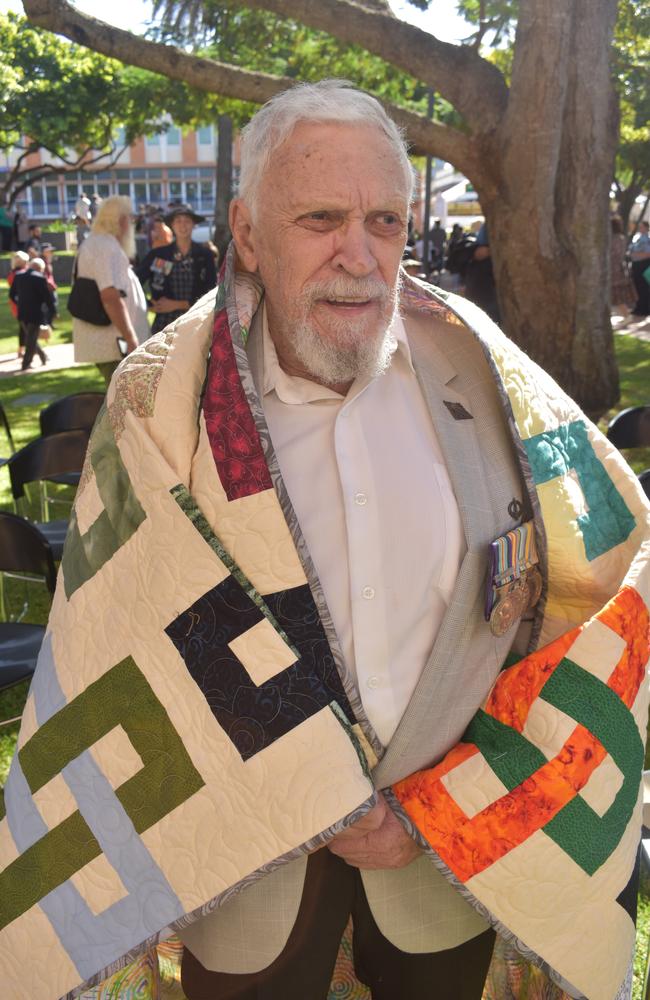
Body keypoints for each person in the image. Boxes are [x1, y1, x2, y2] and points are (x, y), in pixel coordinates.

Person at [2, 82, 649, 1000]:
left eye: (386, 220)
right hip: (242, 864)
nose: (360, 255)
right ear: (249, 233)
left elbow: (605, 578)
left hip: (449, 858)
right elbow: (117, 625)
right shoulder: (164, 404)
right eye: (320, 217)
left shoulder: (489, 378)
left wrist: (455, 795)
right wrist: (310, 786)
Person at [71, 194, 146, 383]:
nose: (131, 223)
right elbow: (110, 296)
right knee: (123, 404)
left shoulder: (100, 243)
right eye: (130, 217)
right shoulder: (105, 245)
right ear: (120, 220)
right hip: (114, 345)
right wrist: (130, 339)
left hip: (113, 343)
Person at [135, 202, 217, 333]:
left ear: (193, 225)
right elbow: (135, 280)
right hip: (164, 325)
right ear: (171, 226)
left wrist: (178, 304)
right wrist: (149, 304)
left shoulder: (204, 255)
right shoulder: (159, 255)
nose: (183, 225)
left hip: (196, 323)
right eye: (178, 221)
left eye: (187, 221)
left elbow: (212, 290)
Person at [9, 257, 53, 370]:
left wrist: (19, 303)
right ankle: (26, 364)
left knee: (31, 337)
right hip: (35, 313)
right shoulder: (39, 278)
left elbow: (11, 295)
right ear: (39, 268)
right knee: (31, 338)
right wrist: (52, 311)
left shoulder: (18, 276)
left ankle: (43, 357)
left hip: (22, 313)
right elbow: (47, 298)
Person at [610, 215, 636, 317]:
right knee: (617, 294)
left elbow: (613, 254)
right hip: (620, 268)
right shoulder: (621, 238)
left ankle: (626, 315)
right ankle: (625, 315)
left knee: (616, 294)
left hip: (615, 269)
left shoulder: (614, 239)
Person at [6, 249, 29, 358]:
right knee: (24, 327)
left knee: (24, 327)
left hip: (18, 304)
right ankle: (24, 350)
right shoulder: (17, 274)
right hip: (20, 304)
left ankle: (22, 349)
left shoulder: (13, 273)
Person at [629, 219, 650, 317]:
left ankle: (645, 308)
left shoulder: (647, 239)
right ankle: (639, 307)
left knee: (644, 288)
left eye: (642, 226)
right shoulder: (637, 238)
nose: (640, 228)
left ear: (646, 227)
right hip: (636, 265)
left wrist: (636, 254)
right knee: (637, 287)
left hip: (643, 265)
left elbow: (647, 254)